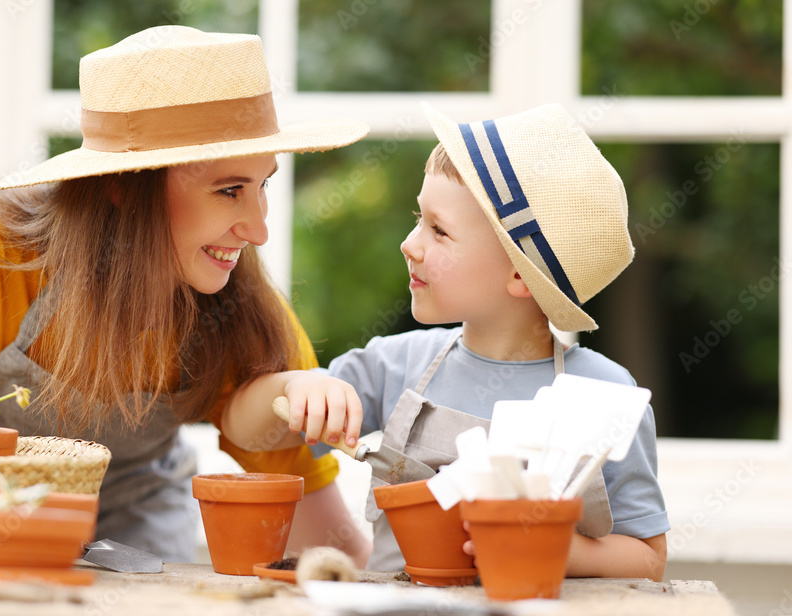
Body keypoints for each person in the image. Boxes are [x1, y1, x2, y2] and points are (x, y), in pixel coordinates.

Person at [0, 25, 372, 565]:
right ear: (123, 185)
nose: (259, 230)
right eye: (228, 191)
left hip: (139, 532)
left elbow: (328, 542)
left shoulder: (237, 307)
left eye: (262, 184)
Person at [222, 103, 669, 579]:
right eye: (419, 218)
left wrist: (561, 550)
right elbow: (241, 430)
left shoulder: (605, 395)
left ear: (520, 273)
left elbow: (649, 558)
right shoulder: (392, 367)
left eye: (439, 230)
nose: (409, 244)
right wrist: (294, 386)